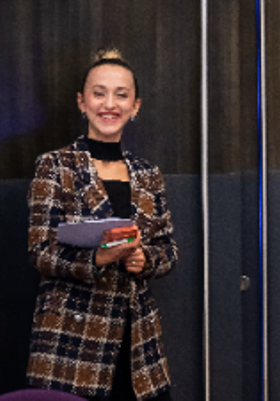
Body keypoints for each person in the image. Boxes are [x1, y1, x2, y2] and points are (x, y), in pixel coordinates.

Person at [26, 48, 177, 401]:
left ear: (135, 106)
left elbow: (168, 250)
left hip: (139, 346)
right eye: (99, 93)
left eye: (121, 95)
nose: (110, 104)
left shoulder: (149, 174)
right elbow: (40, 252)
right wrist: (97, 259)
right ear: (82, 102)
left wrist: (145, 260)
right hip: (71, 344)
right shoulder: (55, 166)